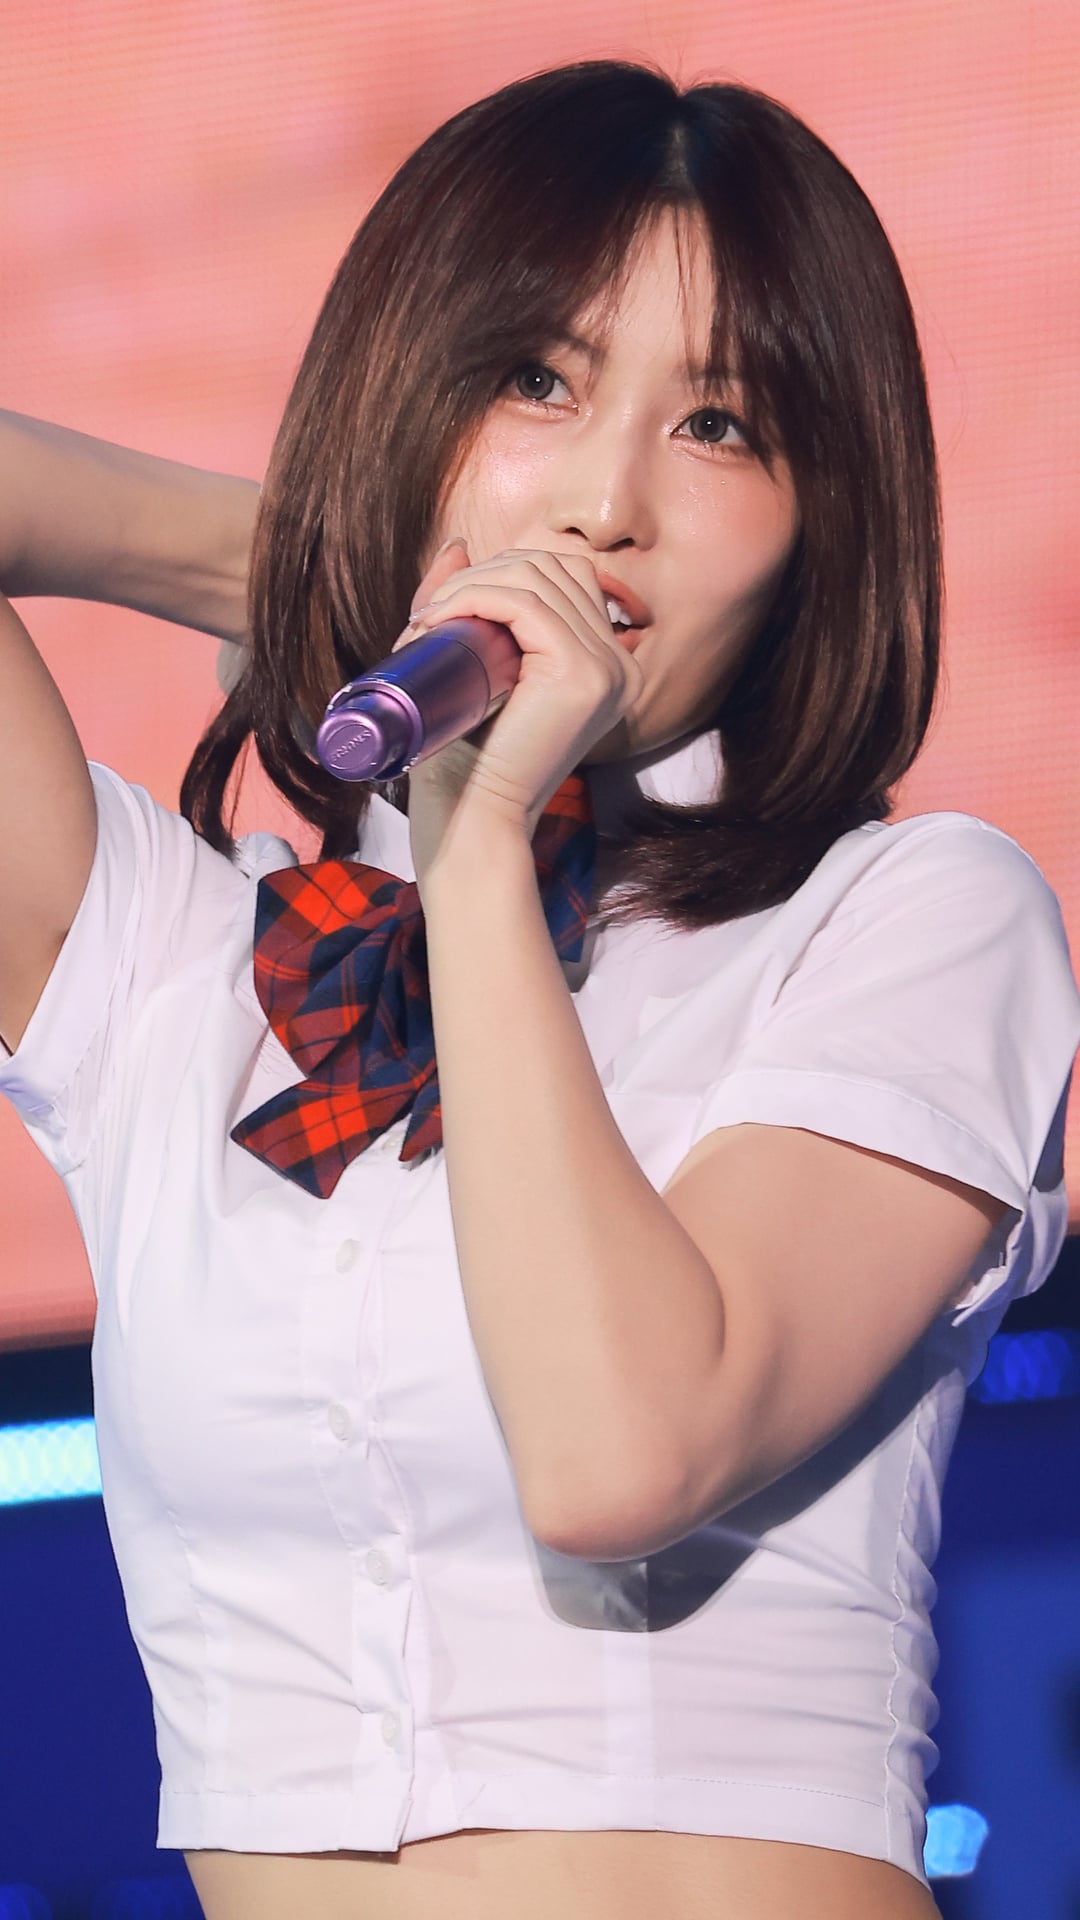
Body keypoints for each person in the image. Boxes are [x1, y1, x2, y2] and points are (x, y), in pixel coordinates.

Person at [1, 58, 1077, 1920]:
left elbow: (614, 1455)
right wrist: (306, 569)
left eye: (720, 423)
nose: (602, 502)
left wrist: (481, 835)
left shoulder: (911, 923)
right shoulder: (176, 973)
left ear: (823, 520)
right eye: (535, 382)